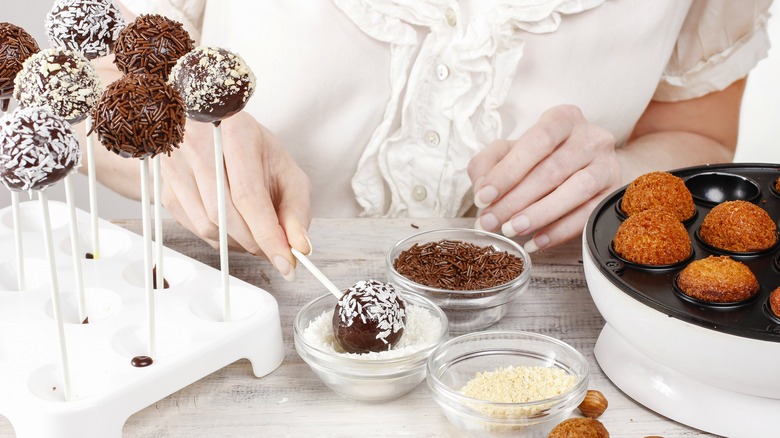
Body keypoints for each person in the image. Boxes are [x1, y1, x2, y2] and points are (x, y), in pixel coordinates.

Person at [91, 0, 773, 281]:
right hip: (216, 309)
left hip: (552, 350)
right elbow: (87, 84)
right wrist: (167, 131)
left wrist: (621, 172)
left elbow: (696, 136)